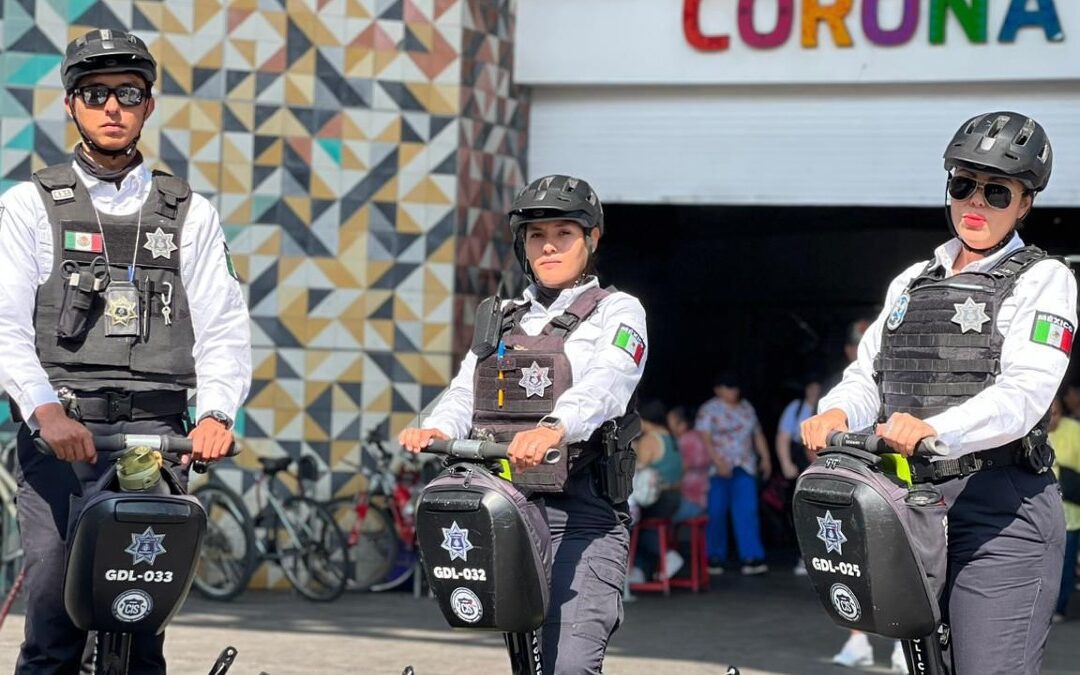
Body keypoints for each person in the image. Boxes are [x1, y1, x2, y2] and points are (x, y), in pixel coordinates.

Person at [0, 29, 252, 675]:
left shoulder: (189, 213)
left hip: (156, 435)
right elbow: (5, 325)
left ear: (148, 104)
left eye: (128, 92)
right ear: (72, 104)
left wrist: (217, 413)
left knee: (142, 625)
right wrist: (45, 411)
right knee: (55, 619)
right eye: (95, 92)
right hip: (64, 431)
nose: (112, 106)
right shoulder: (29, 205)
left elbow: (223, 325)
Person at [802, 111, 1075, 675]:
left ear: (1025, 203)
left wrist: (936, 429)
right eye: (963, 185)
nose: (976, 202)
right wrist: (834, 409)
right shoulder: (911, 280)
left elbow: (1027, 392)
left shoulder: (1045, 278)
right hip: (915, 504)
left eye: (997, 191)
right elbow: (869, 375)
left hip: (1002, 508)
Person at [399, 174, 646, 675]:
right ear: (522, 244)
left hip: (583, 517)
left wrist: (555, 426)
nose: (550, 246)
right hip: (508, 510)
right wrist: (434, 427)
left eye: (564, 233)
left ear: (591, 239)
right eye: (537, 235)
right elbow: (467, 387)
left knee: (569, 665)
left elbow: (609, 383)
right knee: (525, 663)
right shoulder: (502, 316)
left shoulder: (618, 311)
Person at [696, 372, 771, 575]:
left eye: (735, 387)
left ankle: (752, 556)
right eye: (729, 388)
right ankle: (714, 556)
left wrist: (765, 458)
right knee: (716, 512)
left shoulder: (746, 408)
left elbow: (757, 434)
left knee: (747, 511)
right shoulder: (709, 410)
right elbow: (705, 438)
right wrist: (717, 461)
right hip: (717, 468)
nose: (733, 392)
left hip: (744, 465)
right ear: (718, 390)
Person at [627, 399, 684, 583]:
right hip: (674, 497)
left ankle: (668, 556)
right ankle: (641, 571)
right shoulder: (671, 437)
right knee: (642, 526)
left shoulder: (650, 440)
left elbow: (637, 469)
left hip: (657, 499)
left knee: (632, 526)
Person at [1049, 394, 1080, 622]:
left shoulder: (1073, 430)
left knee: (1065, 563)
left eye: (1055, 412)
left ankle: (1059, 606)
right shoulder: (1030, 433)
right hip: (1042, 513)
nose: (1051, 418)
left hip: (1070, 512)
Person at [667, 404, 709, 521]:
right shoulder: (701, 436)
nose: (669, 426)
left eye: (671, 421)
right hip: (706, 496)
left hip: (691, 499)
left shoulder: (685, 440)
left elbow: (683, 469)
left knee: (663, 516)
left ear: (683, 424)